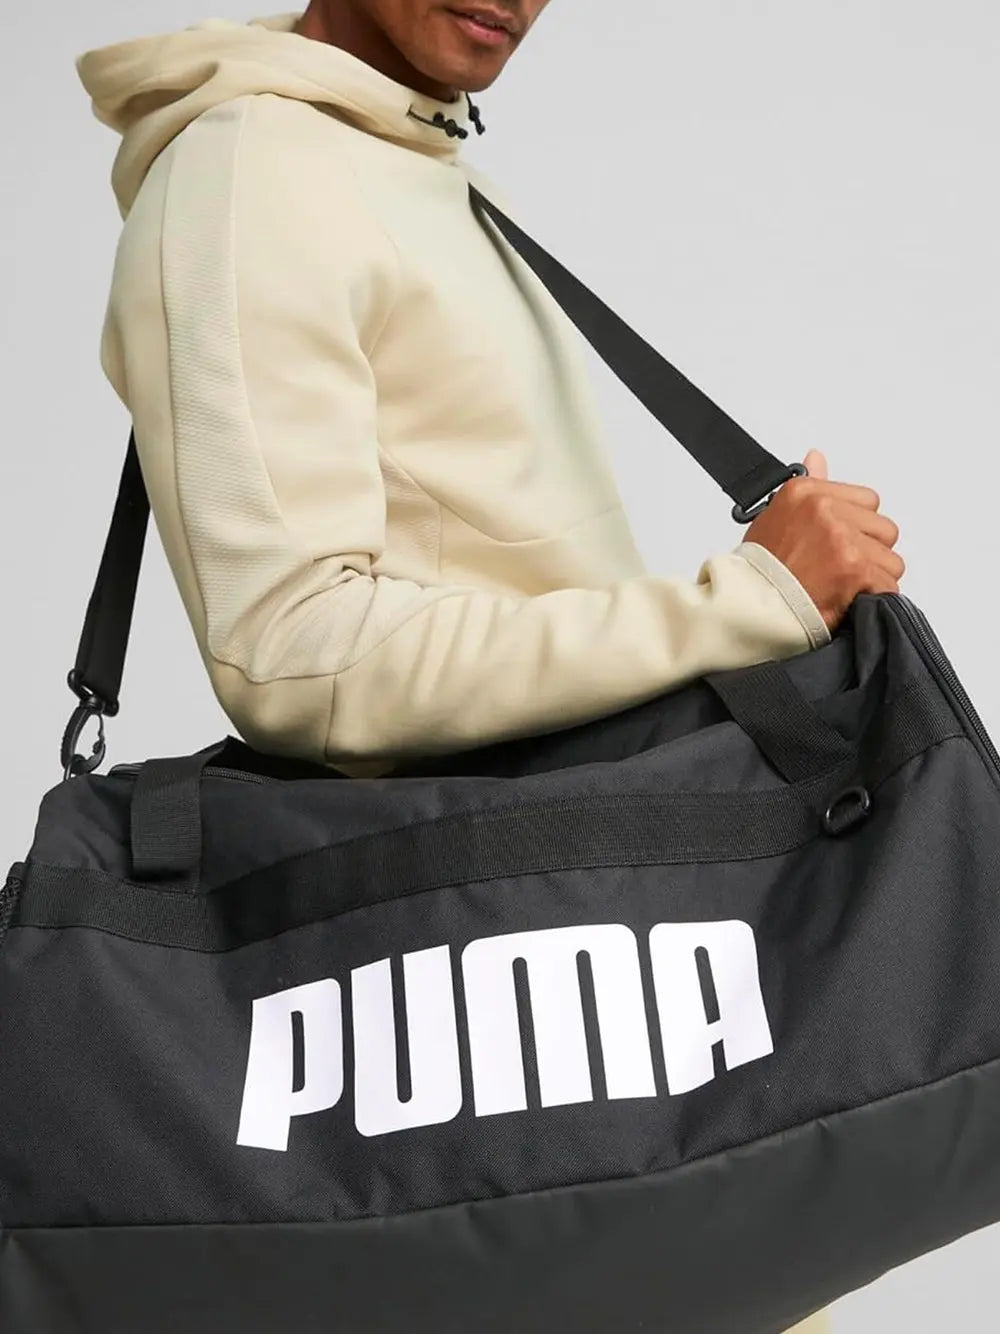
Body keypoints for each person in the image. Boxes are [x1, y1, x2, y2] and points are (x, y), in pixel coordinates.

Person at [77, 5, 904, 1329]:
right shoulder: (249, 180)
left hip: (569, 961)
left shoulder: (411, 162)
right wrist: (745, 604)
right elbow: (295, 653)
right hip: (472, 997)